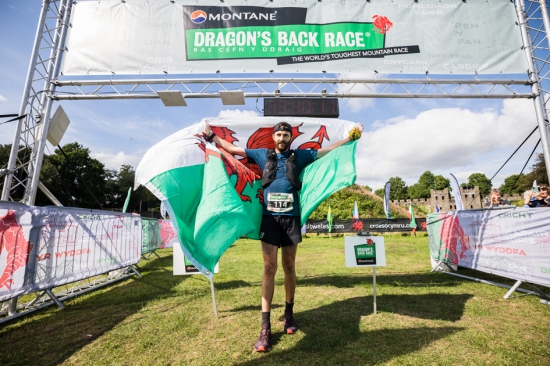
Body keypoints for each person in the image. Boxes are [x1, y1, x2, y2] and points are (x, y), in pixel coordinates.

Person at [203, 121, 362, 352]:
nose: (281, 137)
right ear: (274, 137)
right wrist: (211, 137)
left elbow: (330, 150)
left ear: (290, 137)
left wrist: (351, 137)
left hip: (291, 219)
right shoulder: (261, 154)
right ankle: (265, 326)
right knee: (269, 268)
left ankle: (289, 314)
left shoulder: (301, 155)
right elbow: (234, 150)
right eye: (278, 134)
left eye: (285, 134)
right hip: (269, 219)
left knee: (289, 265)